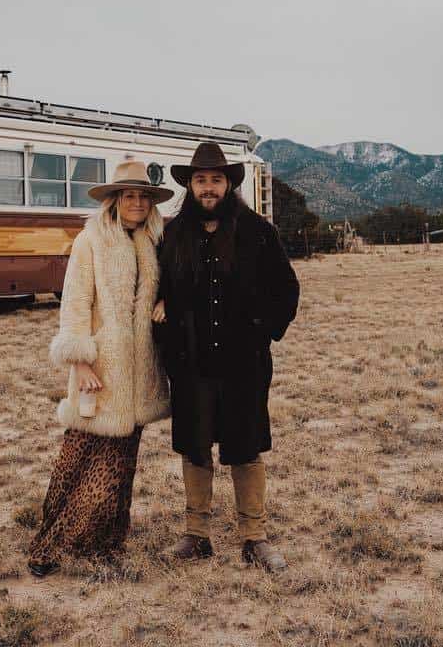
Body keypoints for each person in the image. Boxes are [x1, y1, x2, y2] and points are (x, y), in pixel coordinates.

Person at [154, 141, 299, 572]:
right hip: (192, 365)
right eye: (200, 180)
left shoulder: (258, 232)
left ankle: (254, 538)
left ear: (229, 183)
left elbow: (286, 291)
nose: (208, 187)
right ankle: (196, 536)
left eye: (216, 179)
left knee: (245, 448)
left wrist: (262, 330)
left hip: (244, 366)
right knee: (195, 449)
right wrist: (164, 314)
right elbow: (158, 287)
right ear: (191, 186)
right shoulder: (173, 234)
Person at [28, 161, 174, 578]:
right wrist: (81, 359)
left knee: (120, 463)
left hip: (139, 369)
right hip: (101, 367)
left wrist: (165, 303)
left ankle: (106, 542)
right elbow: (75, 302)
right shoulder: (90, 240)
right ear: (114, 200)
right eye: (129, 195)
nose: (137, 202)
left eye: (143, 196)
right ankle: (53, 543)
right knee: (81, 457)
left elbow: (163, 289)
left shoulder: (150, 241)